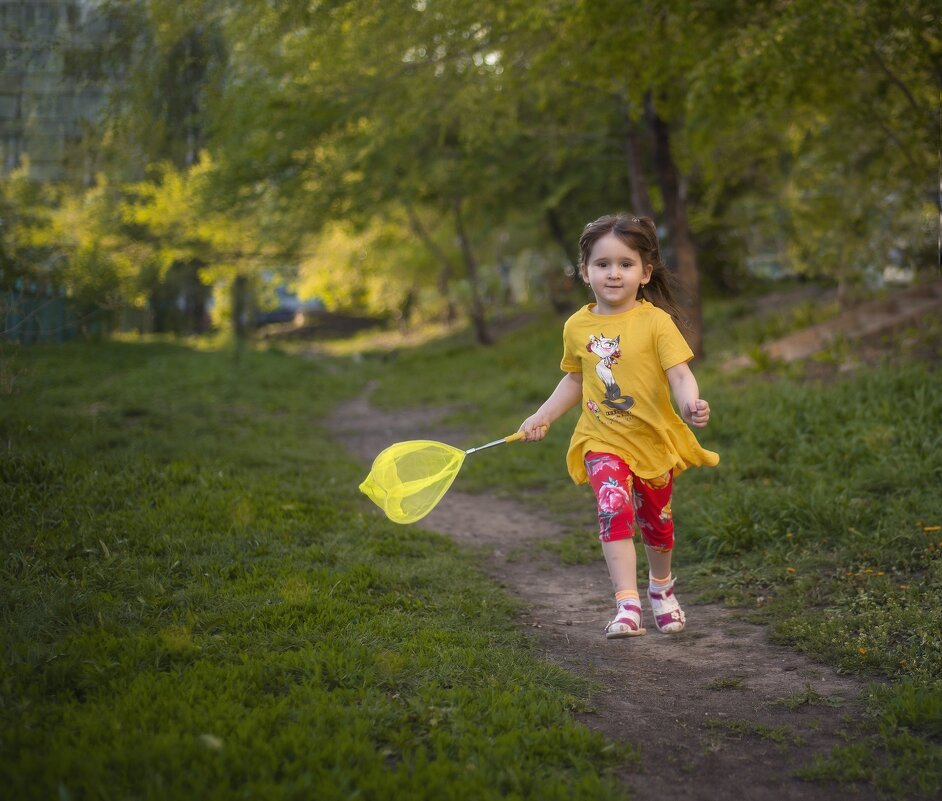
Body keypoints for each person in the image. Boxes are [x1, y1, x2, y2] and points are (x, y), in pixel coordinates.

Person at [519, 213, 719, 639]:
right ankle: (626, 604)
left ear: (645, 273)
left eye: (626, 264)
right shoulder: (577, 326)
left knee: (657, 523)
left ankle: (661, 588)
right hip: (601, 437)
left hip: (652, 441)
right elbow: (575, 378)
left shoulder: (655, 322)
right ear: (585, 271)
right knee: (613, 506)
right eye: (603, 264)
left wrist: (690, 404)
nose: (614, 273)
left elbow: (680, 374)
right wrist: (544, 415)